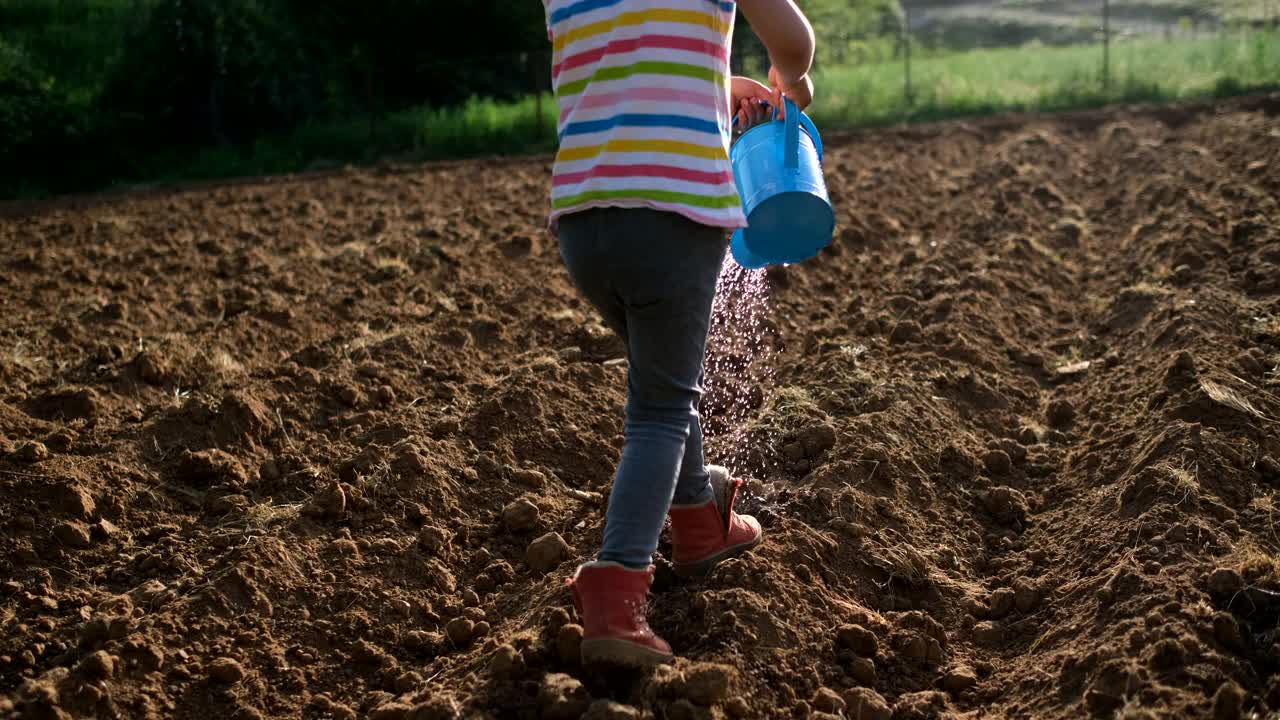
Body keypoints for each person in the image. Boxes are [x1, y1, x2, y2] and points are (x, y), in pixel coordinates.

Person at [543, 0, 816, 667]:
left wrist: (722, 92)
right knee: (661, 410)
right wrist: (793, 83)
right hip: (672, 214)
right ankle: (616, 587)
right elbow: (792, 36)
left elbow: (625, 71)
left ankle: (697, 519)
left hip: (584, 222)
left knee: (658, 374)